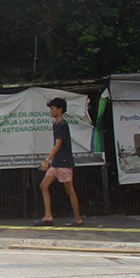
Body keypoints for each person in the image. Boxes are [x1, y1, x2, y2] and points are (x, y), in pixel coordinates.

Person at [37, 97, 83, 226]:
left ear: (60, 110)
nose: (50, 111)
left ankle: (78, 219)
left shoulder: (62, 124)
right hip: (57, 162)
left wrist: (47, 160)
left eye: (52, 109)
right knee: (43, 185)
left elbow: (58, 144)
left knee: (69, 189)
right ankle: (48, 216)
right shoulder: (56, 124)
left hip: (63, 162)